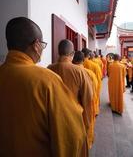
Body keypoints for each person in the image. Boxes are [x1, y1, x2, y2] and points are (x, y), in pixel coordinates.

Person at [0, 17, 88, 157]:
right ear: (36, 45)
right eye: (42, 44)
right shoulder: (46, 80)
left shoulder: (48, 71)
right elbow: (72, 135)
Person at [48, 39, 93, 140]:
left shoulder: (49, 68)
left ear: (58, 52)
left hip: (53, 117)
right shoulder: (79, 71)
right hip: (73, 117)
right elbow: (88, 95)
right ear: (72, 53)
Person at [73, 51, 98, 149]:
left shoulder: (58, 71)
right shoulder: (90, 73)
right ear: (83, 60)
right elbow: (95, 89)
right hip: (86, 106)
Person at [82, 48, 102, 115]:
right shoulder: (95, 66)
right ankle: (94, 111)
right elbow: (99, 79)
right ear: (88, 55)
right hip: (92, 88)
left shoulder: (76, 64)